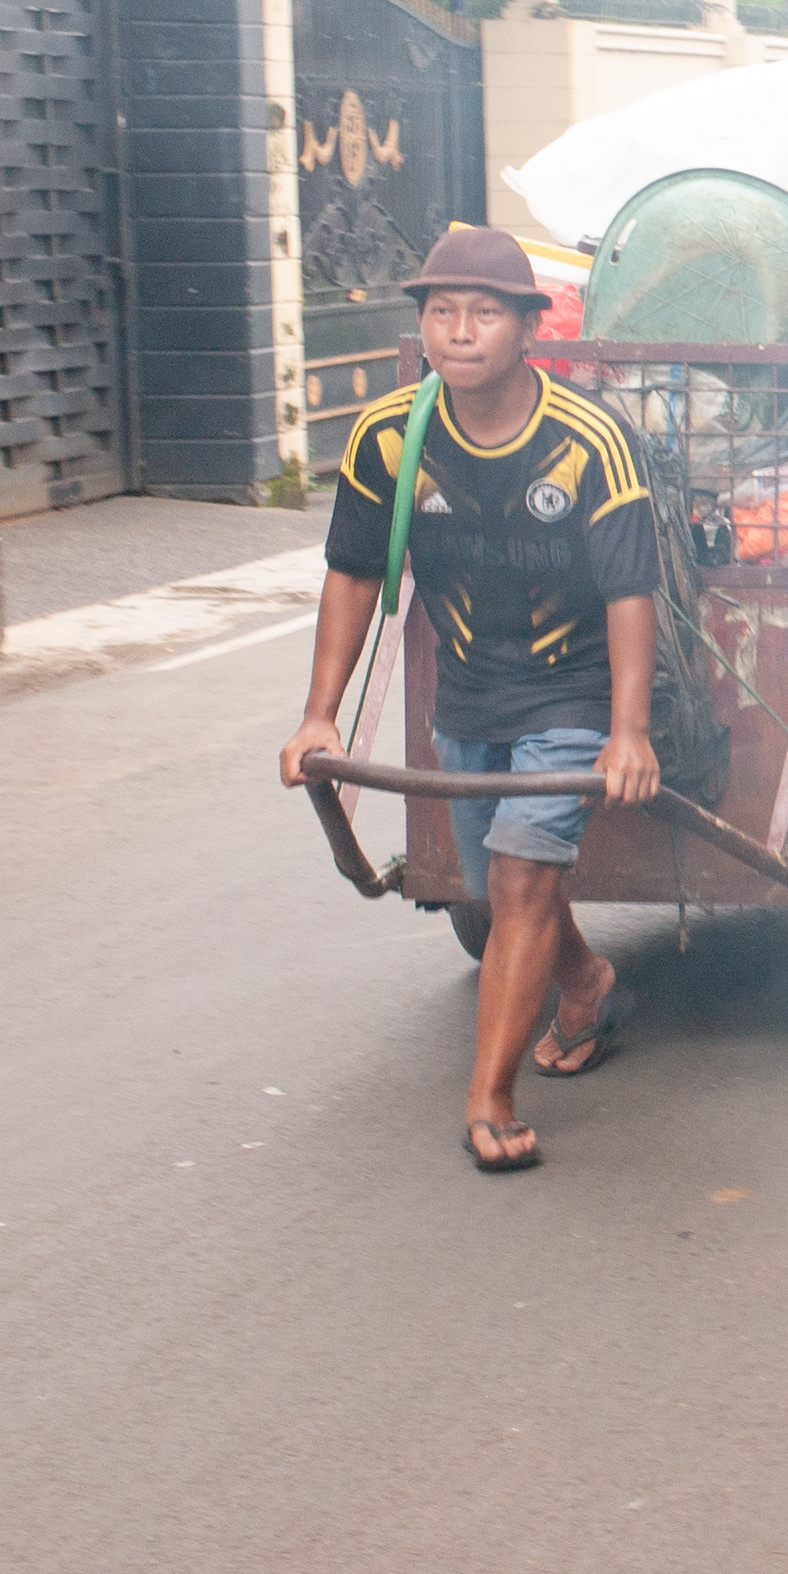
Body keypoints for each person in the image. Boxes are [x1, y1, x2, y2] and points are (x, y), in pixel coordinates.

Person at [280, 228, 662, 1174]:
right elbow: (353, 577)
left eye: (485, 312)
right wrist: (319, 713)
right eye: (441, 312)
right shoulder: (387, 439)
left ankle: (489, 1099)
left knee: (525, 878)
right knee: (501, 883)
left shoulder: (590, 442)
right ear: (420, 326)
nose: (460, 332)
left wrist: (627, 733)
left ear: (529, 327)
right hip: (470, 693)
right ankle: (589, 983)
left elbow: (629, 594)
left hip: (569, 688)